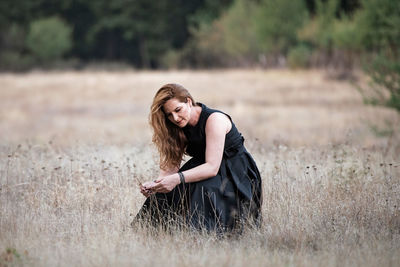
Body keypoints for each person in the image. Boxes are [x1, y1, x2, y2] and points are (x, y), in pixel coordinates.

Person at [133, 83, 262, 232]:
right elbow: (171, 169)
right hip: (202, 167)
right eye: (169, 114)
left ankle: (200, 236)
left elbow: (212, 167)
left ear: (188, 101)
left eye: (177, 110)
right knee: (164, 193)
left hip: (235, 173)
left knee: (203, 189)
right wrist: (155, 185)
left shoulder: (215, 120)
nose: (175, 118)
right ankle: (147, 233)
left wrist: (177, 179)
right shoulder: (176, 128)